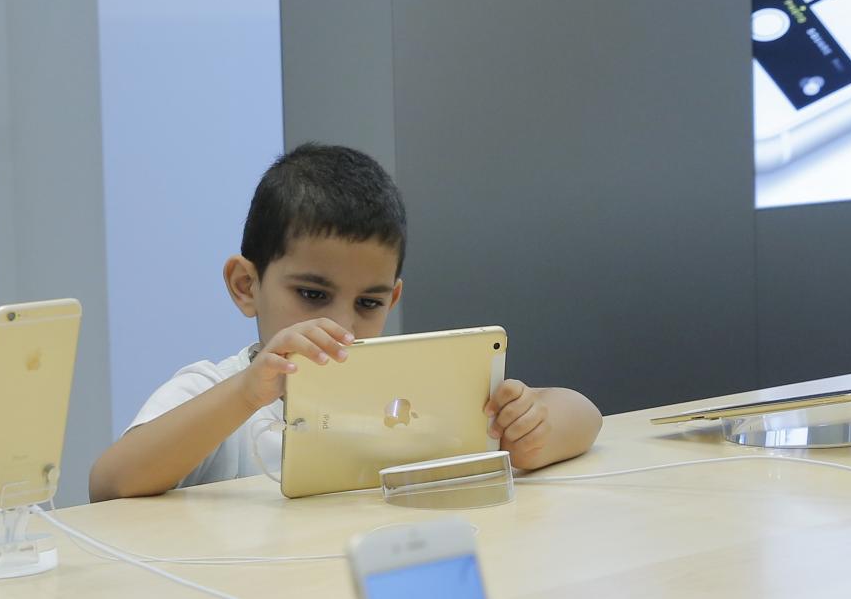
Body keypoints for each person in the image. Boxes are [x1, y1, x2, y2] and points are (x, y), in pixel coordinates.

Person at [89, 143, 603, 501]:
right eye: (312, 295)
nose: (342, 325)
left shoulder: (412, 392)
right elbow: (109, 484)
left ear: (392, 299)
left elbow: (585, 414)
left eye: (368, 303)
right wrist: (247, 393)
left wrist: (533, 430)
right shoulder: (216, 389)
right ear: (246, 286)